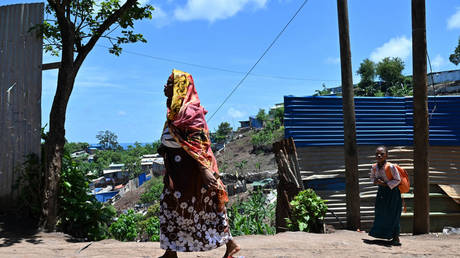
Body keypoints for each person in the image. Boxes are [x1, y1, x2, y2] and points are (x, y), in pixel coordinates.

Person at [158, 69, 241, 258]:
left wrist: (204, 170)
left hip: (193, 172)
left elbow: (200, 141)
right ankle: (171, 252)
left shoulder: (190, 110)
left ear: (180, 87)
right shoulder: (174, 112)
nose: (165, 86)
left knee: (207, 208)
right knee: (171, 207)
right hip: (176, 172)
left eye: (169, 83)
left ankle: (231, 245)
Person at [369, 146, 402, 246]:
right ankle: (383, 235)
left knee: (393, 214)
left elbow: (398, 180)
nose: (379, 155)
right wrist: (375, 181)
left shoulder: (391, 167)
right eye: (377, 154)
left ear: (386, 155)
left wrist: (384, 184)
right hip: (382, 193)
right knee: (380, 212)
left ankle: (395, 238)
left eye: (382, 154)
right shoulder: (374, 167)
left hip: (393, 193)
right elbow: (372, 178)